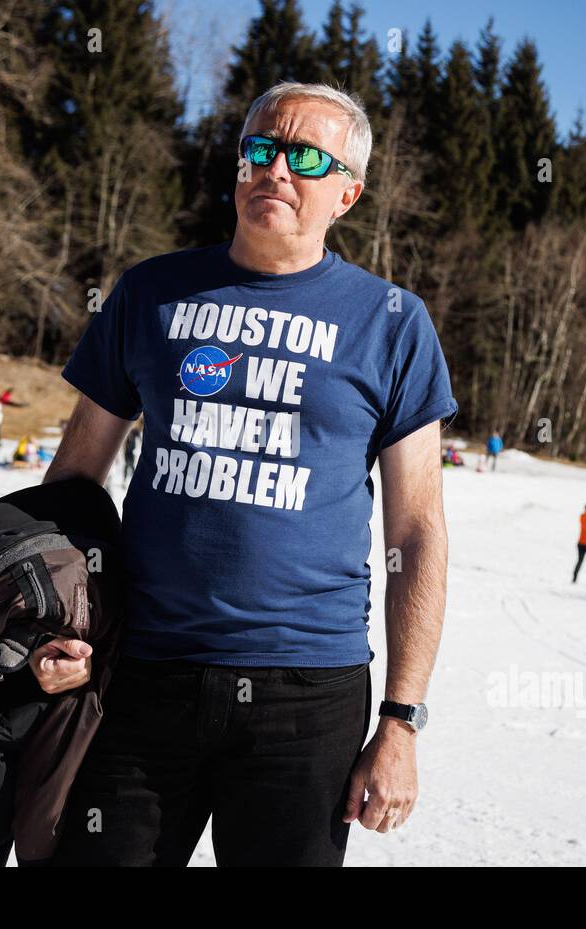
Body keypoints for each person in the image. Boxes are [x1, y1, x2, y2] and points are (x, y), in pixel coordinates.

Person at [42, 82, 457, 867]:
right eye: (260, 150)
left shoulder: (392, 322)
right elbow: (72, 482)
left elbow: (417, 529)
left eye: (305, 158)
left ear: (348, 192)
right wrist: (62, 622)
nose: (275, 170)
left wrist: (401, 720)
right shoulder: (151, 291)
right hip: (142, 678)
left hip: (308, 695)